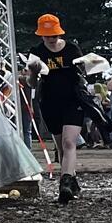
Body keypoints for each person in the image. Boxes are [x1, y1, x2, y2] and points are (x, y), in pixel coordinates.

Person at [26, 14, 86, 203]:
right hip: (50, 101)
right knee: (60, 145)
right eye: (47, 36)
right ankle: (71, 179)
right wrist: (34, 72)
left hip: (73, 99)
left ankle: (65, 183)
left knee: (70, 142)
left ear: (59, 34)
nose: (51, 40)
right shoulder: (36, 52)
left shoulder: (72, 49)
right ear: (41, 36)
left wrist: (83, 70)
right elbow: (32, 83)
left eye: (54, 36)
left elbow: (83, 75)